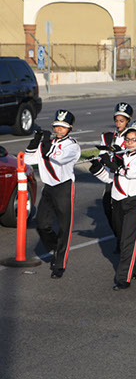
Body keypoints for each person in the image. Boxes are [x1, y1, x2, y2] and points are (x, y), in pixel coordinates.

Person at [90, 120, 136, 290]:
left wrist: (114, 163)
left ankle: (123, 278)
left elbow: (130, 173)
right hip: (117, 201)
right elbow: (109, 178)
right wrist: (96, 166)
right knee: (122, 237)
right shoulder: (121, 156)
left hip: (135, 202)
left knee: (127, 242)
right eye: (127, 139)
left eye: (134, 139)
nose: (129, 142)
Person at [25, 110, 81, 278]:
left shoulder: (72, 146)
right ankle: (56, 246)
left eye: (62, 127)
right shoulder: (45, 144)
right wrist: (35, 141)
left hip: (63, 188)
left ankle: (60, 264)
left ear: (69, 129)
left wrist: (45, 143)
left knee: (65, 227)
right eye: (56, 126)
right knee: (41, 224)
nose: (58, 130)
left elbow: (58, 157)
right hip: (49, 187)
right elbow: (28, 160)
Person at [98, 102, 133, 244]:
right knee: (107, 207)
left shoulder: (132, 137)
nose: (118, 124)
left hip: (123, 177)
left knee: (121, 212)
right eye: (117, 120)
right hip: (110, 177)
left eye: (122, 121)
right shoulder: (107, 137)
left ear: (128, 121)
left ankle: (123, 241)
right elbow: (101, 154)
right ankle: (120, 237)